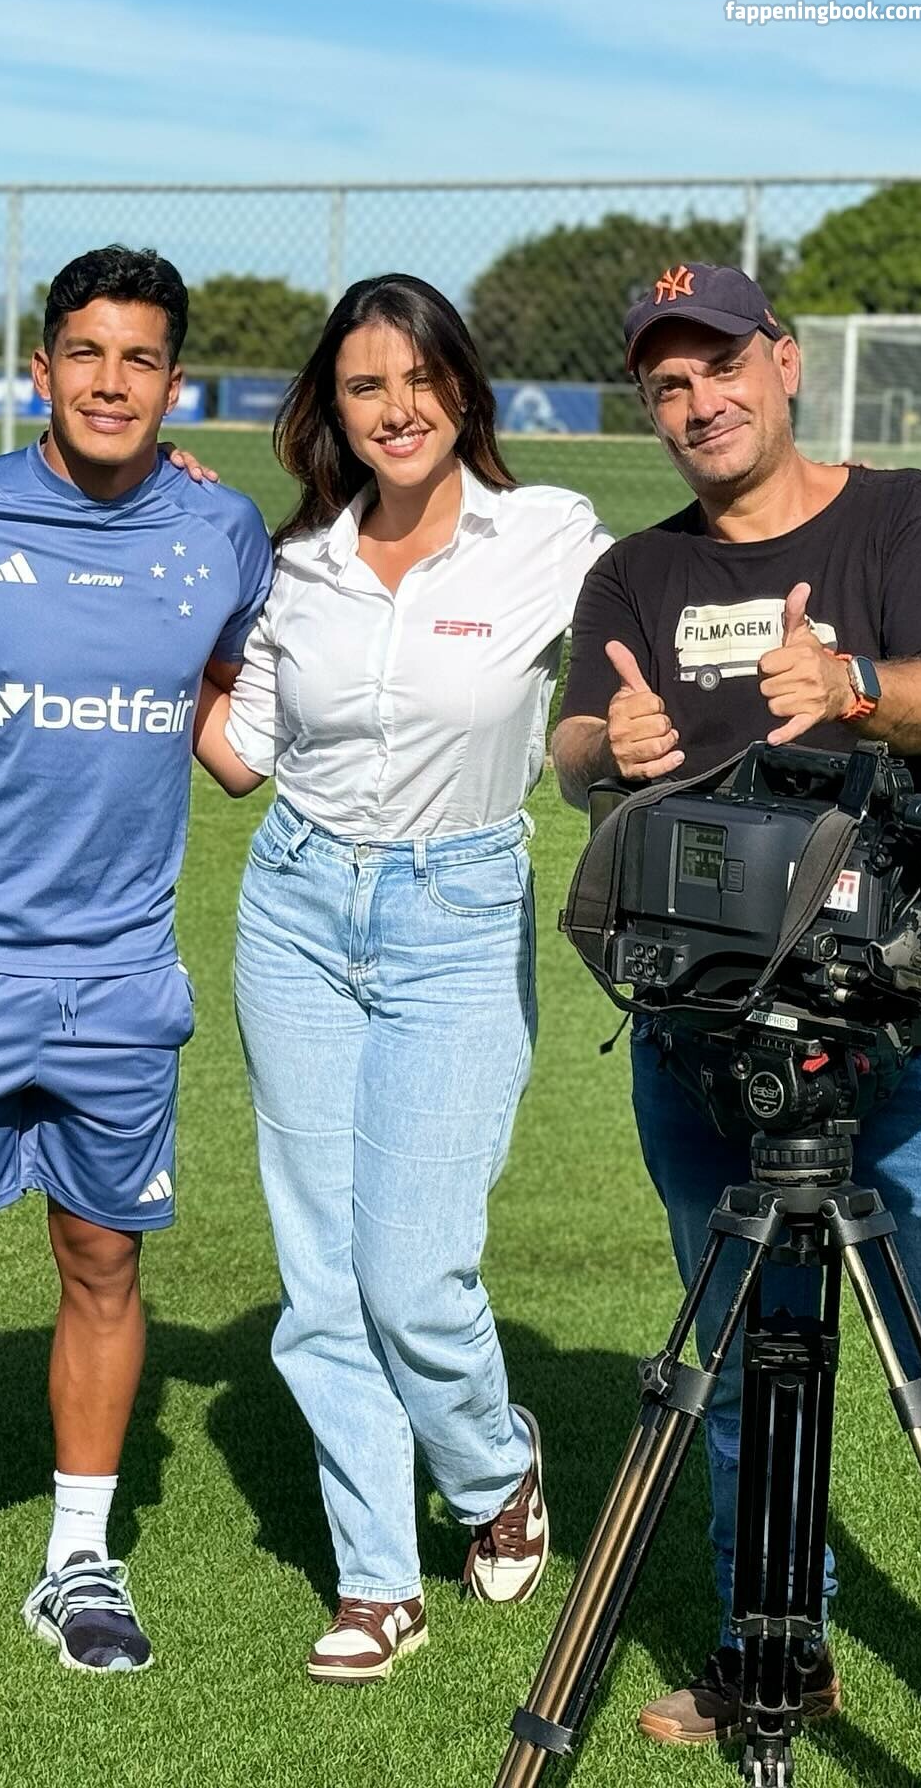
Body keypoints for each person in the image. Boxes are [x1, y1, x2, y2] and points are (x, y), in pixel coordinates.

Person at [0, 246, 272, 1686]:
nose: (109, 382)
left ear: (175, 384)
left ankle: (78, 1555)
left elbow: (246, 703)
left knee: (103, 1258)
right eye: (85, 353)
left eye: (139, 359)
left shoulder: (222, 532)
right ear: (41, 369)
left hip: (122, 973)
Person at [190, 274, 612, 1684]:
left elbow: (657, 631)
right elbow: (241, 757)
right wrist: (145, 602)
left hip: (460, 913)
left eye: (420, 379)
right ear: (333, 406)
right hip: (297, 910)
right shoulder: (296, 563)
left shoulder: (547, 535)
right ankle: (377, 1581)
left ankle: (494, 1469)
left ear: (464, 390)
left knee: (413, 1273)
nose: (397, 408)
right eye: (366, 385)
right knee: (321, 1277)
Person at [552, 260, 921, 1746]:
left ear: (785, 362)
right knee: (735, 1370)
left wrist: (854, 687)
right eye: (668, 382)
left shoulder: (904, 516)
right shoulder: (634, 574)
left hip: (895, 1026)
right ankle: (772, 1654)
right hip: (704, 1041)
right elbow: (572, 750)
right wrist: (610, 745)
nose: (698, 401)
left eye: (721, 364)